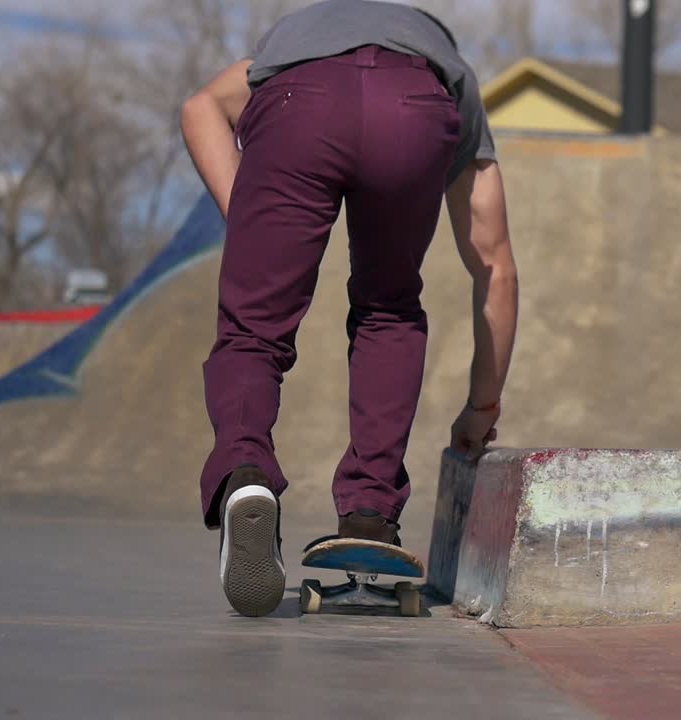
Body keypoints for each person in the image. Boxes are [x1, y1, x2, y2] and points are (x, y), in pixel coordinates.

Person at [179, 0, 519, 617]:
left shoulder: (291, 44)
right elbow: (493, 265)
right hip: (413, 112)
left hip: (296, 106)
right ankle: (369, 516)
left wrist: (256, 226)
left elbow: (199, 107)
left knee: (254, 329)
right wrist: (482, 407)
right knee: (389, 306)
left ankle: (245, 470)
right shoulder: (451, 72)